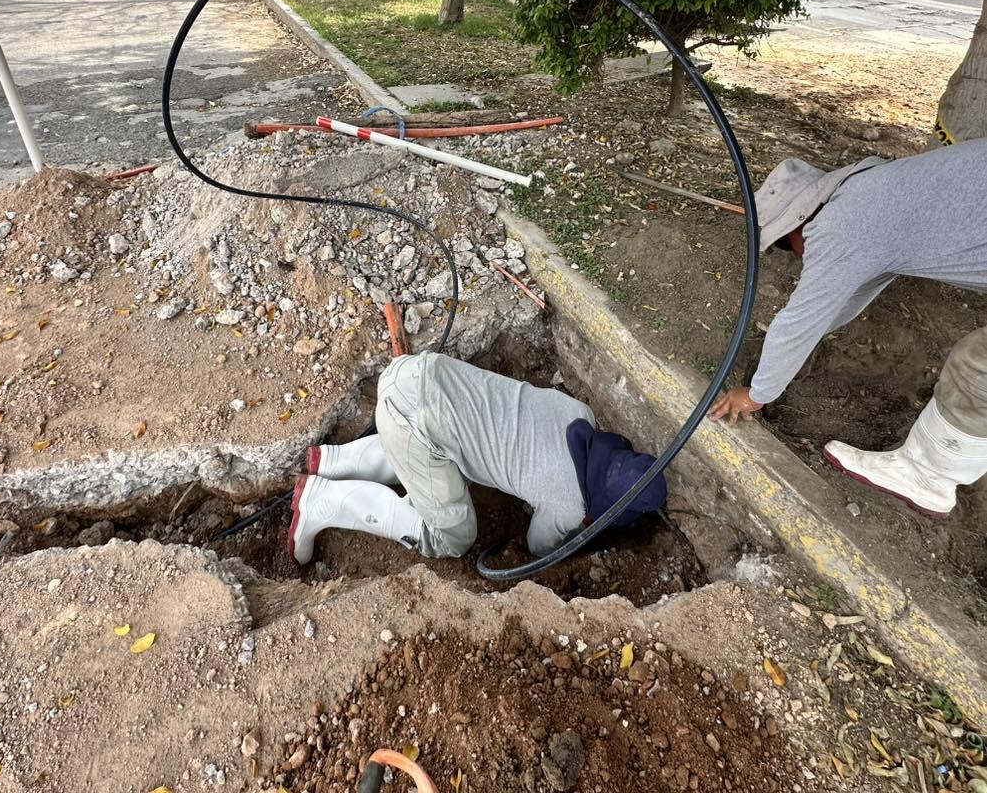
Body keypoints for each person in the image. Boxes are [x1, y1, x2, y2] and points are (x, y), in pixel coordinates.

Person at [709, 139, 987, 517]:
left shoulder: (843, 225)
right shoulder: (874, 192)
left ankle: (926, 476)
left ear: (800, 222)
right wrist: (798, 343)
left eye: (785, 246)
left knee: (978, 368)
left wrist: (756, 395)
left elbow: (800, 320)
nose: (793, 255)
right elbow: (852, 294)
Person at [288, 351, 667, 564]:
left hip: (418, 373)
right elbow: (539, 547)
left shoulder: (579, 413)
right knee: (452, 537)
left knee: (452, 446)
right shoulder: (569, 503)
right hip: (414, 423)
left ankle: (336, 460)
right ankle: (323, 501)